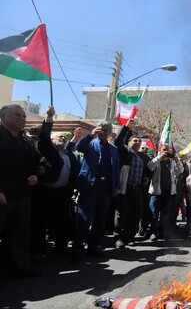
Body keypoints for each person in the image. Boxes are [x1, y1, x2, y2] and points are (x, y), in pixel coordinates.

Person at [34, 106, 80, 256]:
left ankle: (61, 248)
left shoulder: (69, 155)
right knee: (40, 223)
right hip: (45, 193)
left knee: (61, 222)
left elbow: (74, 174)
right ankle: (39, 251)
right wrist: (49, 119)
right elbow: (44, 138)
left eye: (64, 137)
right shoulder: (49, 151)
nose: (63, 138)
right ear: (52, 140)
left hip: (62, 194)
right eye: (59, 136)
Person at [71, 121, 121, 263]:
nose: (104, 131)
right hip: (89, 186)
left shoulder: (113, 148)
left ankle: (93, 246)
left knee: (100, 218)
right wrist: (89, 135)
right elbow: (79, 147)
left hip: (105, 188)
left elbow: (116, 168)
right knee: (84, 218)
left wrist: (116, 185)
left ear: (110, 132)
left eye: (107, 129)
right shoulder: (90, 143)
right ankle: (78, 249)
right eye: (102, 128)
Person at [0, 105, 39, 278]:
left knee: (20, 233)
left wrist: (35, 174)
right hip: (3, 195)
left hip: (22, 195)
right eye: (17, 115)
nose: (22, 118)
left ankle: (20, 267)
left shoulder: (25, 140)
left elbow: (34, 162)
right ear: (2, 117)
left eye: (23, 116)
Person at [113, 120, 146, 248]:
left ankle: (129, 236)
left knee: (137, 212)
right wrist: (126, 127)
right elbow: (117, 141)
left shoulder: (140, 157)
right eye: (134, 141)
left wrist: (145, 179)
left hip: (137, 189)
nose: (137, 143)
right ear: (129, 143)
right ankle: (119, 237)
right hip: (124, 188)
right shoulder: (125, 153)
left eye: (139, 141)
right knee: (122, 213)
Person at [148, 144, 184, 240]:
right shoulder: (157, 160)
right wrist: (159, 157)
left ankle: (162, 232)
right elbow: (150, 166)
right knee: (154, 213)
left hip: (168, 193)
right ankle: (153, 232)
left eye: (168, 150)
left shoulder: (172, 162)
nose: (166, 152)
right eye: (164, 150)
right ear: (160, 150)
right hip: (156, 192)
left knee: (165, 214)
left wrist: (177, 160)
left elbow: (180, 170)